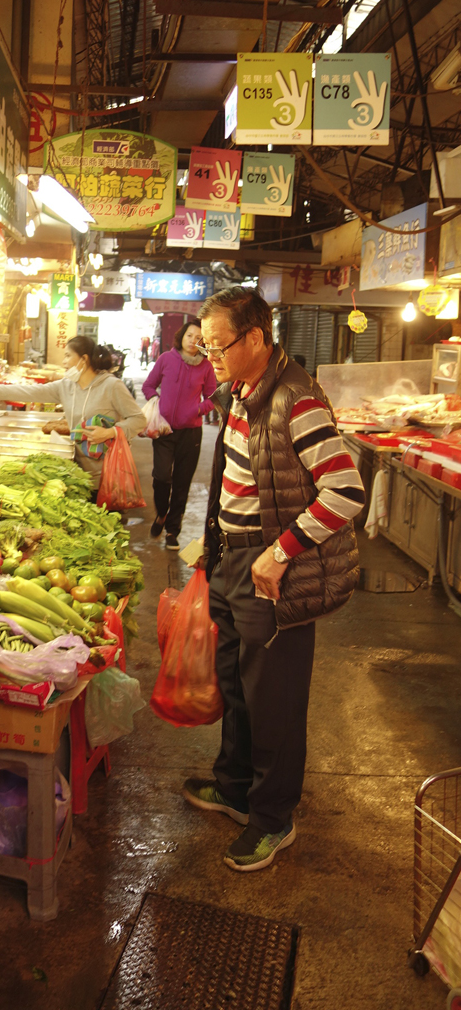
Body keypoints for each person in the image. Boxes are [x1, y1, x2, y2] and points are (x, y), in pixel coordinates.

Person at [183, 288, 364, 873]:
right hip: (233, 561)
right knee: (237, 682)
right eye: (203, 344)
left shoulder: (297, 401)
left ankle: (273, 818)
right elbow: (239, 476)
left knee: (274, 700)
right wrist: (211, 545)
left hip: (273, 574)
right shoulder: (240, 391)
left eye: (218, 344)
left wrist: (281, 552)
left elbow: (346, 493)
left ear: (255, 338)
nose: (209, 354)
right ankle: (236, 788)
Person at [0, 336, 145, 495]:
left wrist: (110, 432)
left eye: (67, 356)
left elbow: (139, 420)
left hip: (107, 471)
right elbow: (28, 392)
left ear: (84, 359)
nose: (63, 362)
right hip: (78, 469)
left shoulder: (111, 386)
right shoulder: (66, 386)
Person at [142, 320, 217, 550]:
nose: (193, 341)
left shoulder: (206, 366)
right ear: (181, 337)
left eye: (198, 338)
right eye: (190, 335)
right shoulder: (166, 359)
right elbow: (148, 386)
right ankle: (161, 514)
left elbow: (214, 397)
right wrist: (156, 402)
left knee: (182, 483)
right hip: (164, 430)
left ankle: (173, 531)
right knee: (161, 476)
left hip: (191, 433)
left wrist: (198, 410)